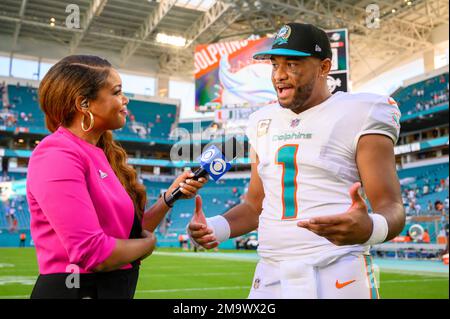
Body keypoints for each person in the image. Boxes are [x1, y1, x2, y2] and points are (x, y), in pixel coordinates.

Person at [188, 23, 405, 299]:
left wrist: (371, 227)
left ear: (324, 67)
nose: (279, 75)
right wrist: (214, 227)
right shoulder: (260, 121)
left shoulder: (363, 112)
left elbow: (392, 206)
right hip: (271, 274)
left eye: (291, 64)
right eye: (275, 65)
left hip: (338, 270)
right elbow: (255, 206)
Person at [27, 55, 207, 299]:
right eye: (117, 92)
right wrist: (149, 244)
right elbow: (93, 253)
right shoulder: (57, 154)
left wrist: (169, 197)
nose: (125, 99)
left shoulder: (101, 154)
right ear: (84, 104)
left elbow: (127, 235)